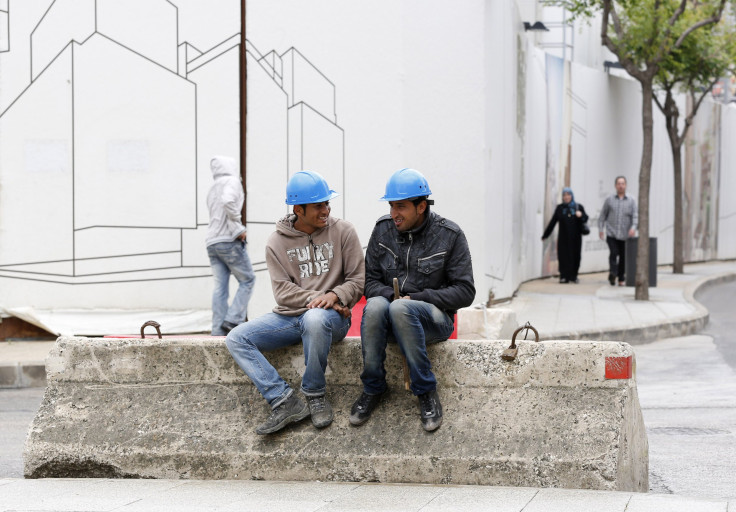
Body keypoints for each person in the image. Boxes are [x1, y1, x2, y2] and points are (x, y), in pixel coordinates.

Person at [226, 170, 364, 435]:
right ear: (298, 209)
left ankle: (314, 393)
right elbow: (282, 292)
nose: (326, 210)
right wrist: (317, 298)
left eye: (327, 203)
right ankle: (284, 400)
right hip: (290, 317)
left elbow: (358, 280)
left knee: (315, 319)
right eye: (318, 206)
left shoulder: (344, 231)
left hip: (331, 320)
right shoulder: (276, 242)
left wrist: (334, 297)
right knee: (236, 338)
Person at [349, 168, 475, 432]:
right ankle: (373, 387)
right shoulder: (382, 230)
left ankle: (425, 390)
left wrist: (418, 298)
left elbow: (465, 291)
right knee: (375, 306)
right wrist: (391, 296)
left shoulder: (450, 235)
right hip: (391, 320)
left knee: (402, 308)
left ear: (421, 206)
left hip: (434, 321)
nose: (394, 213)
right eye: (392, 205)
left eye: (401, 207)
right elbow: (368, 282)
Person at [205, 156, 256, 335]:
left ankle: (217, 330)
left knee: (220, 288)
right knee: (248, 279)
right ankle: (233, 320)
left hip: (212, 242)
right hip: (228, 240)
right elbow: (228, 202)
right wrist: (238, 227)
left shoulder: (213, 187)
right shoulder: (232, 181)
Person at [541, 187, 589, 283]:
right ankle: (564, 276)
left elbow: (586, 218)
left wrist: (581, 215)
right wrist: (545, 235)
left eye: (568, 195)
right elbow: (553, 222)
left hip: (576, 238)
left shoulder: (578, 207)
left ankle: (573, 276)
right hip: (563, 237)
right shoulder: (560, 208)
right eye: (564, 195)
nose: (566, 197)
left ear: (572, 195)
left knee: (576, 256)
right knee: (563, 256)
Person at [598, 176, 638, 286]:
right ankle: (613, 273)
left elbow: (635, 217)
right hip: (612, 233)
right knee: (614, 252)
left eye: (623, 183)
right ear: (615, 186)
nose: (621, 186)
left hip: (625, 234)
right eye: (619, 183)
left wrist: (633, 228)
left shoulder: (631, 200)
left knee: (623, 257)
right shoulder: (609, 199)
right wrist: (601, 229)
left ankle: (621, 277)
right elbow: (602, 216)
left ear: (626, 185)